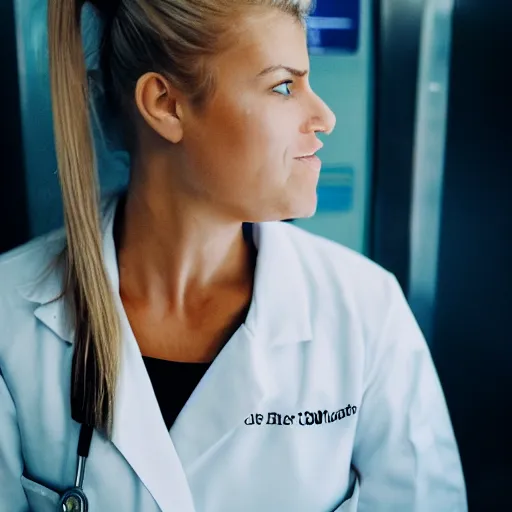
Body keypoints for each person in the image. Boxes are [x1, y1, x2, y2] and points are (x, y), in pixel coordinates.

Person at [0, 0, 467, 510]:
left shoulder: (367, 312)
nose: (325, 117)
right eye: (284, 86)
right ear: (166, 103)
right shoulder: (9, 318)